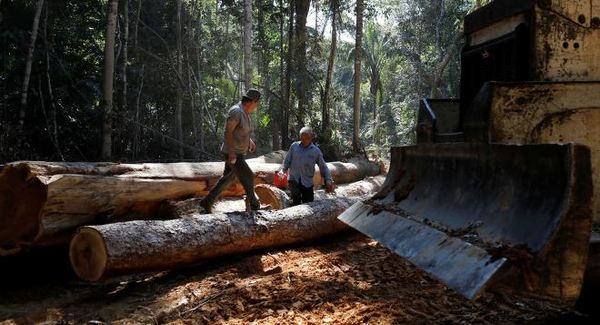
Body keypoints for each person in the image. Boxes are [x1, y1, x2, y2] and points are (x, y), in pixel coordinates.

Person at [199, 89, 262, 213]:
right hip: (233, 153)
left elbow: (241, 131)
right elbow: (228, 132)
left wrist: (249, 141)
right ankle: (255, 205)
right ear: (251, 102)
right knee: (248, 175)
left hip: (238, 152)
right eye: (257, 103)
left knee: (228, 178)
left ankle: (206, 201)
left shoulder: (245, 112)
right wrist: (232, 153)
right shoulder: (236, 112)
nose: (257, 106)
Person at [279, 127, 335, 206]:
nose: (304, 140)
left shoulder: (316, 151)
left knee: (308, 204)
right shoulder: (294, 146)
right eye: (302, 138)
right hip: (294, 180)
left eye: (306, 138)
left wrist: (328, 180)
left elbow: (323, 167)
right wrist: (282, 170)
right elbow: (287, 161)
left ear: (311, 138)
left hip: (307, 182)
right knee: (295, 203)